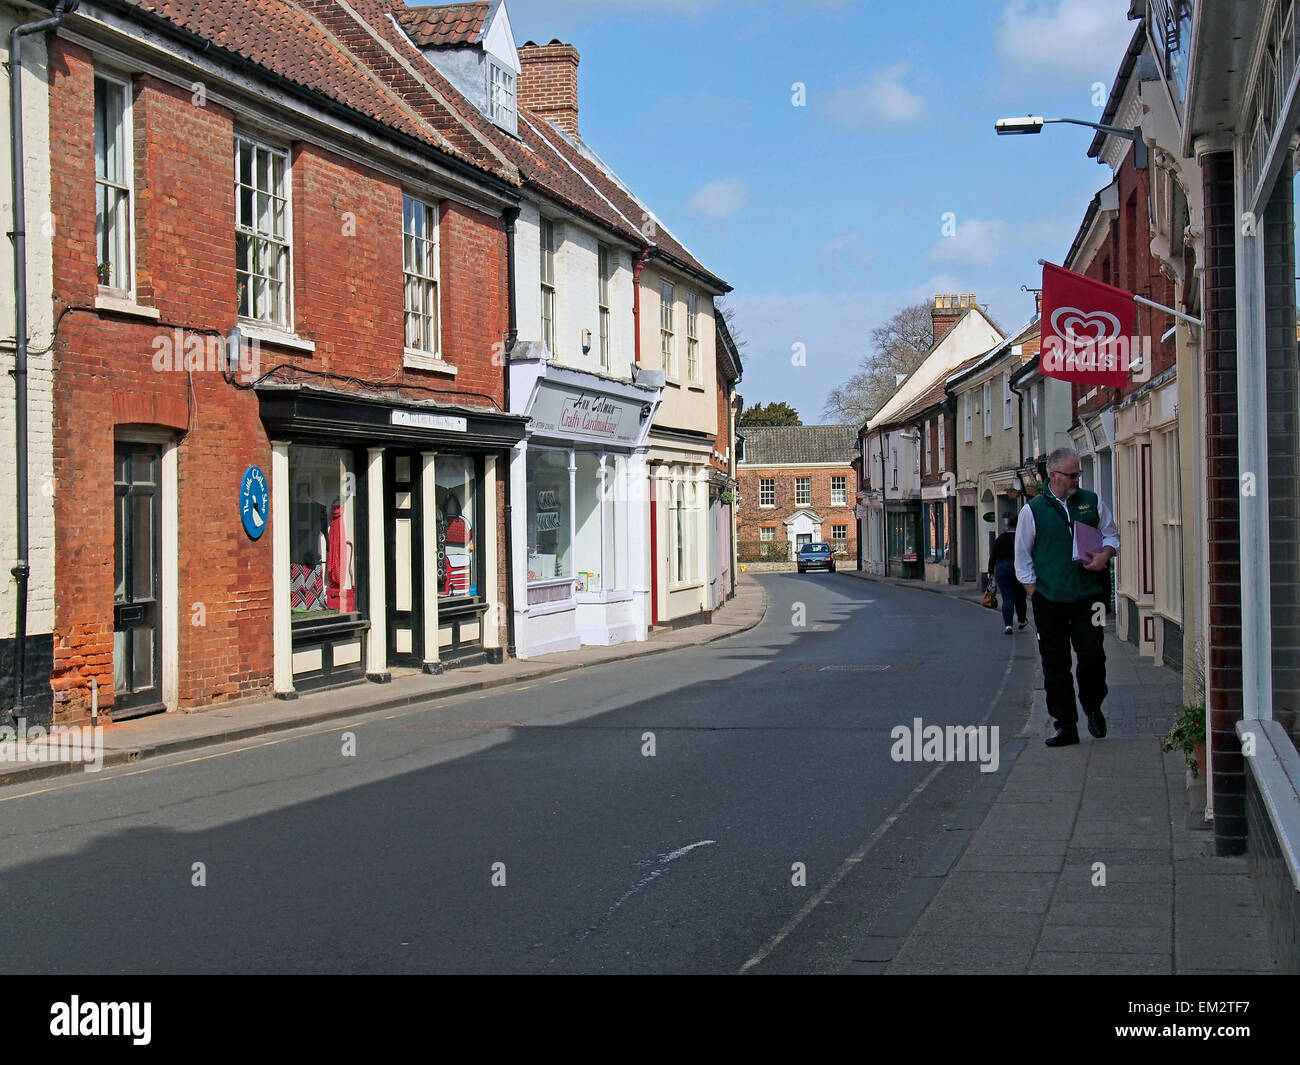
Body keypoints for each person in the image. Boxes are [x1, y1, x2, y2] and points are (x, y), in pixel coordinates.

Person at [1015, 447, 1120, 747]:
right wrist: (1034, 592)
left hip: (1091, 597)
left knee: (1093, 655)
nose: (1076, 480)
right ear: (1054, 475)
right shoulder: (1032, 510)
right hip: (1049, 599)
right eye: (1071, 475)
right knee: (1055, 664)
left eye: (1078, 475)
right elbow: (1022, 557)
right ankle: (1065, 725)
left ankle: (1093, 704)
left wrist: (1105, 555)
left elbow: (1111, 535)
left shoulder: (1092, 502)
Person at [987, 515, 1027, 635]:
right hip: (1018, 568)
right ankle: (1021, 620)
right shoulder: (1021, 538)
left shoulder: (1000, 539)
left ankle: (1008, 625)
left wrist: (990, 572)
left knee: (1007, 598)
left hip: (1002, 568)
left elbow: (993, 556)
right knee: (1020, 597)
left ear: (1007, 526)